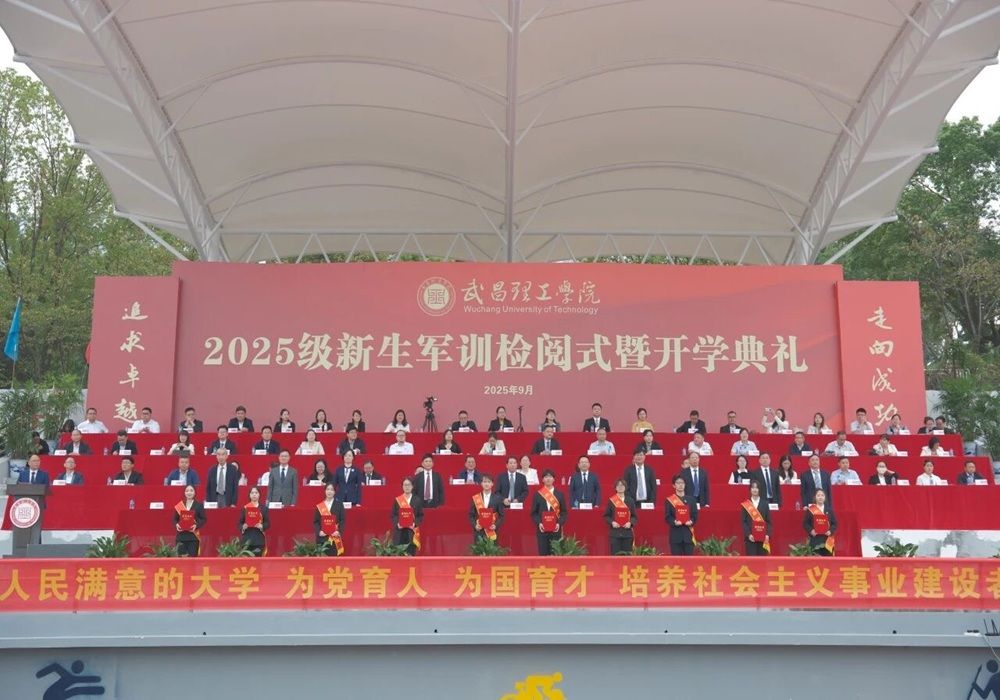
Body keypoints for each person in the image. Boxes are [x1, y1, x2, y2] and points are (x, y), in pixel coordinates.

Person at [531, 469, 567, 555]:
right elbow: (534, 513)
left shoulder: (560, 494)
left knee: (555, 555)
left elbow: (564, 513)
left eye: (550, 477)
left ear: (554, 479)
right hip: (542, 530)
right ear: (542, 479)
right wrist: (539, 523)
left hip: (556, 530)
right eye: (546, 477)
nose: (548, 479)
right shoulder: (538, 494)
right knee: (543, 554)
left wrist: (559, 524)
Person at [665, 475, 698, 555]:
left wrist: (691, 521)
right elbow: (667, 516)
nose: (680, 485)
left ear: (685, 485)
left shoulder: (692, 500)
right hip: (676, 536)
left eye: (682, 483)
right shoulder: (669, 500)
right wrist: (674, 522)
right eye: (678, 483)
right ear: (674, 485)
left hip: (688, 536)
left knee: (689, 561)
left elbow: (695, 516)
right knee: (676, 561)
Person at [605, 479, 638, 554]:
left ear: (625, 487)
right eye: (618, 485)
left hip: (627, 533)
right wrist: (612, 522)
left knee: (627, 557)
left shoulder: (630, 501)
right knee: (615, 557)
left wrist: (630, 523)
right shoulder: (611, 501)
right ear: (615, 488)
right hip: (615, 534)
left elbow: (634, 516)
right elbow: (606, 516)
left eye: (622, 485)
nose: (620, 487)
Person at [392, 477, 424, 555]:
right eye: (405, 485)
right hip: (400, 532)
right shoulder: (397, 500)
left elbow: (420, 516)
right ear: (402, 487)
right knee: (399, 556)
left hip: (411, 532)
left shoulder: (417, 500)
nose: (407, 487)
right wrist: (398, 524)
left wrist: (414, 524)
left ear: (412, 486)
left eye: (409, 485)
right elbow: (393, 515)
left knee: (411, 555)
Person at [173, 485, 206, 556]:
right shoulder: (180, 505)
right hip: (181, 537)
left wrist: (196, 525)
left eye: (191, 490)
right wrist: (176, 524)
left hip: (193, 537)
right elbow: (175, 519)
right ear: (184, 493)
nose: (189, 492)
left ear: (194, 492)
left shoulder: (199, 505)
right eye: (187, 491)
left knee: (193, 560)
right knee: (181, 560)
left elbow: (203, 519)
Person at [314, 483, 346, 556]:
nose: (329, 491)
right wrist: (319, 532)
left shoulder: (339, 505)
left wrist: (338, 532)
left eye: (332, 490)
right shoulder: (320, 506)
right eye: (327, 489)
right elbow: (316, 522)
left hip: (334, 538)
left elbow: (342, 520)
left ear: (334, 492)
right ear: (325, 491)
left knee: (333, 561)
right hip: (322, 539)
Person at [741, 480, 771, 556]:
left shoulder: (765, 504)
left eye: (757, 488)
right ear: (750, 489)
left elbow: (768, 521)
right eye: (753, 487)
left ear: (759, 490)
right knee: (751, 562)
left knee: (762, 561)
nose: (755, 490)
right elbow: (744, 522)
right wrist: (749, 535)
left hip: (762, 539)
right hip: (750, 539)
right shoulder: (746, 505)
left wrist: (767, 535)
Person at [470, 474, 504, 542]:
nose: (486, 484)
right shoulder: (476, 498)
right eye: (484, 482)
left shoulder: (498, 499)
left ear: (492, 484)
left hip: (492, 532)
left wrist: (495, 525)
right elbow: (471, 515)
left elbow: (501, 516)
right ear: (481, 483)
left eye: (489, 482)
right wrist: (475, 525)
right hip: (479, 532)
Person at [804, 489, 836, 556]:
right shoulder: (811, 509)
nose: (820, 497)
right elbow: (805, 523)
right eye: (818, 495)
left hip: (827, 539)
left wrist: (830, 531)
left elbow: (835, 523)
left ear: (825, 497)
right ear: (815, 497)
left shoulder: (829, 510)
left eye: (822, 495)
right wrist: (811, 531)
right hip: (815, 539)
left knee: (828, 559)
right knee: (815, 559)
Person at [238, 486, 269, 556]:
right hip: (247, 540)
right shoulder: (245, 508)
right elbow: (239, 523)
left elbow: (267, 523)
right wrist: (243, 526)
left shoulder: (264, 508)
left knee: (258, 562)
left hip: (259, 540)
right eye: (252, 493)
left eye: (256, 493)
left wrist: (262, 526)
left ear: (259, 495)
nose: (254, 494)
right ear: (249, 495)